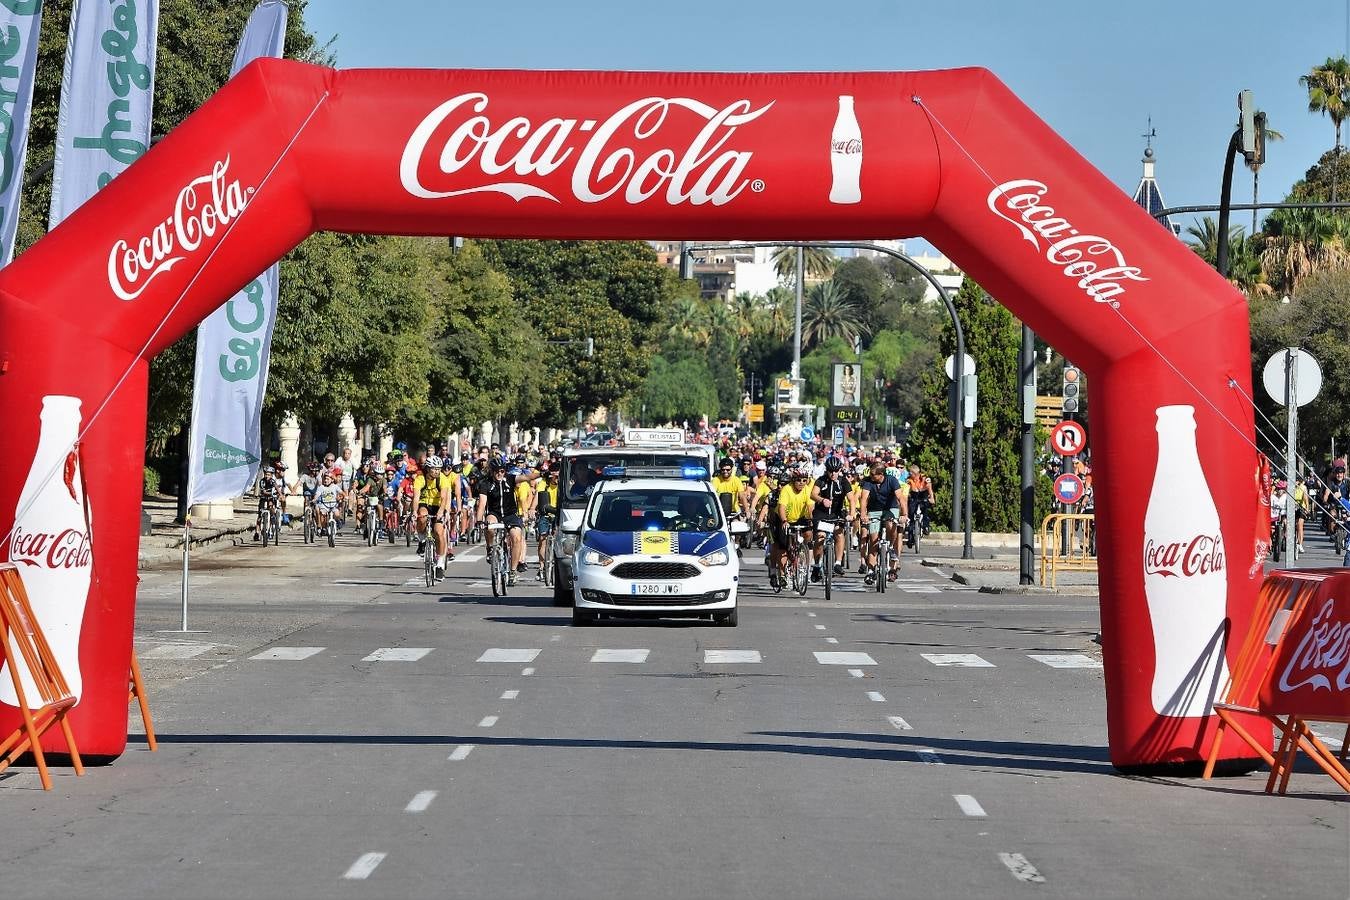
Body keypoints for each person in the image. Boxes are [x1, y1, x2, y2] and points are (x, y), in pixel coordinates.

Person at [477, 458, 539, 586]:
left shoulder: (510, 479)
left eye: (502, 471)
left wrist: (541, 474)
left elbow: (527, 477)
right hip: (495, 514)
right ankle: (490, 548)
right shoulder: (485, 484)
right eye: (496, 471)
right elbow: (482, 504)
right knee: (489, 527)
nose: (500, 474)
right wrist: (479, 520)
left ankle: (512, 571)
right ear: (491, 471)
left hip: (510, 514)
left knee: (516, 537)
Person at [772, 466, 815, 589]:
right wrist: (784, 520)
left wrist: (812, 519)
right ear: (793, 480)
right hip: (786, 518)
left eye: (804, 480)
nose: (801, 483)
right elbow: (781, 507)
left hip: (801, 517)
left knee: (808, 533)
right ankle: (782, 575)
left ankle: (803, 549)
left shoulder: (807, 489)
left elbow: (810, 507)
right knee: (784, 547)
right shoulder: (787, 489)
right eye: (798, 480)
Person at [413, 456, 455, 579]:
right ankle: (422, 540)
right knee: (422, 517)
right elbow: (416, 497)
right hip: (425, 503)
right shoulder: (420, 478)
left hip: (438, 505)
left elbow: (444, 498)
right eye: (434, 469)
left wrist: (442, 512)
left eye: (438, 469)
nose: (437, 471)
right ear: (428, 469)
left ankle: (440, 564)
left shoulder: (443, 479)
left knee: (438, 531)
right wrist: (414, 512)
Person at [862, 463, 904, 583]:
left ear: (881, 474)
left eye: (873, 474)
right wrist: (864, 514)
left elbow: (901, 498)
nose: (870, 476)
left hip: (890, 508)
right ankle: (870, 571)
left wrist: (904, 515)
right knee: (873, 541)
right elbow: (864, 499)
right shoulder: (868, 482)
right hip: (874, 510)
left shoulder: (892, 481)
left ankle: (891, 547)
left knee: (891, 524)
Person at [810, 456, 850, 580]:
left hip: (836, 513)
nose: (833, 474)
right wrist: (822, 500)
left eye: (836, 471)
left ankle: (837, 563)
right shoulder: (821, 480)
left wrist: (851, 514)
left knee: (839, 533)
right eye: (831, 471)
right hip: (821, 513)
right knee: (820, 537)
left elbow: (851, 498)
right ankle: (817, 565)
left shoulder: (843, 481)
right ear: (826, 470)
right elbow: (813, 494)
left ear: (839, 470)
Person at [535, 469, 559, 581]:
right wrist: (531, 508)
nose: (557, 478)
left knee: (558, 537)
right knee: (542, 538)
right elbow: (537, 497)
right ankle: (542, 567)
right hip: (545, 514)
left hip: (558, 514)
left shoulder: (565, 484)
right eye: (555, 475)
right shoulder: (543, 484)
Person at [312, 470, 341, 537]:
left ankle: (337, 523)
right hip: (324, 505)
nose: (326, 480)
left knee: (337, 514)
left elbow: (341, 492)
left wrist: (344, 496)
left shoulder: (334, 486)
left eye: (328, 479)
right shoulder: (321, 487)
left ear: (332, 480)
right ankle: (324, 527)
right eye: (324, 479)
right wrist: (314, 499)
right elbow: (317, 494)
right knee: (322, 515)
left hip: (333, 505)